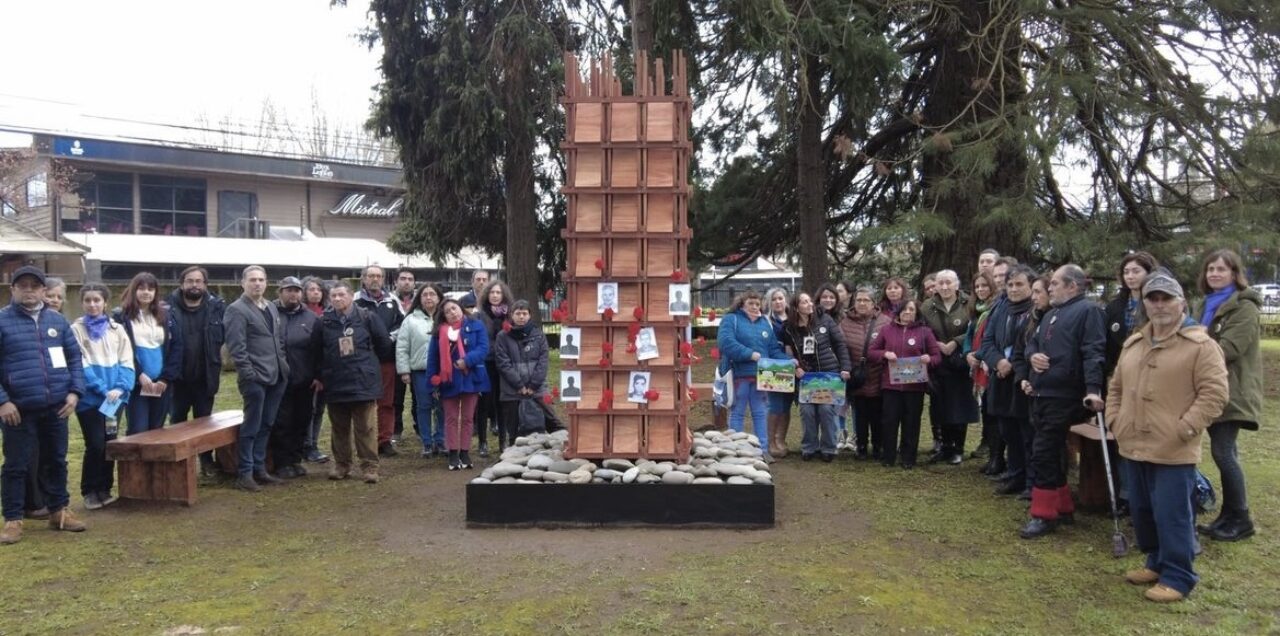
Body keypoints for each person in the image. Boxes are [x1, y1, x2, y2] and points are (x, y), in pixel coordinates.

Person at [1107, 271, 1228, 603]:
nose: (1159, 305)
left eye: (1166, 298)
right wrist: (1115, 419)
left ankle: (1179, 575)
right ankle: (1156, 561)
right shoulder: (1134, 343)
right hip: (1132, 443)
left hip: (1173, 447)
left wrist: (1184, 429)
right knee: (1143, 510)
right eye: (1153, 299)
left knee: (1172, 513)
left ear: (1181, 303)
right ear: (1145, 304)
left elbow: (1214, 395)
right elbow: (1115, 387)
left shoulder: (1201, 346)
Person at [1016, 264, 1106, 539]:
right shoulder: (1051, 313)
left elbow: (1094, 351)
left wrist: (1093, 389)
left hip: (1065, 393)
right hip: (1043, 392)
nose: (1049, 287)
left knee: (1042, 452)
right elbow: (1032, 344)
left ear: (1072, 286)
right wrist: (1033, 358)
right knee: (1051, 451)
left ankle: (1043, 514)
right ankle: (1063, 506)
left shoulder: (1088, 311)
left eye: (1055, 283)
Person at [0, 265, 87, 545]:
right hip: (18, 410)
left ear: (42, 290)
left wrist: (74, 392)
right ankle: (12, 519)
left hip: (56, 407)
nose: (29, 290)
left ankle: (59, 512)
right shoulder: (2, 321)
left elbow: (74, 359)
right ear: (12, 289)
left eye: (34, 286)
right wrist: (3, 402)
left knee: (56, 461)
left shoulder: (57, 321)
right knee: (16, 465)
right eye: (22, 285)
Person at [1195, 249, 1262, 542]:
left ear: (1235, 274)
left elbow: (1230, 349)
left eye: (1222, 269)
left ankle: (1241, 516)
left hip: (1231, 389)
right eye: (1211, 269)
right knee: (1223, 453)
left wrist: (1195, 343)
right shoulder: (1206, 304)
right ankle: (1229, 514)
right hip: (1209, 386)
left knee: (1224, 452)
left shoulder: (1244, 308)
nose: (1215, 274)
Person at [312, 281, 392, 484]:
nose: (337, 299)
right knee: (339, 428)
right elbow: (315, 351)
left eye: (341, 295)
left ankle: (370, 467)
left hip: (363, 380)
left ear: (350, 296)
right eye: (334, 296)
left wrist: (368, 366)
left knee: (365, 427)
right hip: (335, 381)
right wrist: (320, 376)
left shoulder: (367, 317)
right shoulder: (323, 322)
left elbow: (383, 345)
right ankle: (342, 464)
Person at [224, 266, 290, 493]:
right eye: (252, 280)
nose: (257, 284)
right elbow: (236, 347)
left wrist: (283, 366)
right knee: (252, 425)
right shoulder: (236, 310)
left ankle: (260, 469)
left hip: (277, 374)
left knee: (267, 423)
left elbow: (277, 339)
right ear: (242, 283)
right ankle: (245, 473)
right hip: (255, 378)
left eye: (261, 280)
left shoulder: (270, 306)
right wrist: (248, 373)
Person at [70, 283, 134, 510]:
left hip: (115, 400)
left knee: (109, 443)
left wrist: (120, 387)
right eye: (88, 300)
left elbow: (127, 360)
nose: (92, 304)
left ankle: (105, 488)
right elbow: (80, 363)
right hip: (91, 399)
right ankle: (89, 490)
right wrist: (101, 388)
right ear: (82, 303)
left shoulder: (117, 329)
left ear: (105, 303)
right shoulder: (76, 329)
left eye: (97, 300)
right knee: (95, 444)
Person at [978, 266, 1036, 496]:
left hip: (1024, 380)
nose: (1013, 289)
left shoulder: (1036, 310)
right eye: (1010, 284)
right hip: (1001, 379)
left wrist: (1013, 364)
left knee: (1027, 433)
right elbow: (987, 341)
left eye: (1019, 284)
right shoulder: (1000, 309)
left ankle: (1032, 482)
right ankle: (1015, 475)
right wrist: (998, 361)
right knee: (1008, 431)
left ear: (1031, 286)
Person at [717, 290, 789, 462]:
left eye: (758, 304)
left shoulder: (765, 323)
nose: (755, 307)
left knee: (760, 412)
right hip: (738, 375)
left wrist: (787, 361)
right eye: (751, 303)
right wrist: (749, 354)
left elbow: (772, 349)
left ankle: (762, 450)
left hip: (761, 377)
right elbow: (726, 342)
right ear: (742, 304)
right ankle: (736, 449)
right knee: (738, 412)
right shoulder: (731, 319)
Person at [867, 299, 940, 469]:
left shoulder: (925, 332)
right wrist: (885, 354)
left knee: (912, 422)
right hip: (891, 386)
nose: (908, 312)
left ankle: (908, 458)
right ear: (899, 311)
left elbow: (937, 356)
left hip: (915, 387)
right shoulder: (887, 330)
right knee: (889, 421)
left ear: (917, 313)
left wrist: (929, 359)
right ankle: (888, 456)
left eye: (912, 309)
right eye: (905, 309)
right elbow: (871, 352)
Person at [167, 265, 226, 475]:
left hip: (205, 376)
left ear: (205, 285)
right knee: (177, 422)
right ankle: (180, 463)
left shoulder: (217, 307)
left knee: (205, 421)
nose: (194, 285)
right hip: (177, 378)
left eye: (198, 281)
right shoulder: (166, 308)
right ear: (182, 284)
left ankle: (206, 461)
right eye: (190, 281)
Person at [781, 291, 851, 462]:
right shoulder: (788, 328)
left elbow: (840, 344)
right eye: (804, 302)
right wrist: (795, 366)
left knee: (827, 410)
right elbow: (788, 353)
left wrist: (845, 367)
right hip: (807, 377)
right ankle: (809, 447)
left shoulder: (825, 320)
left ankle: (828, 448)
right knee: (807, 411)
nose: (810, 304)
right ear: (796, 308)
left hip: (829, 374)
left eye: (810, 301)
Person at [426, 298, 491, 470]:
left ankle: (465, 451)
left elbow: (483, 348)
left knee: (469, 417)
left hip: (471, 376)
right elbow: (433, 358)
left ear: (461, 309)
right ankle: (453, 452)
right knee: (451, 418)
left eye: (454, 308)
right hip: (449, 379)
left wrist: (467, 360)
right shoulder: (439, 333)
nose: (452, 313)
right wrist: (433, 380)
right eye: (447, 311)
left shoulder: (476, 325)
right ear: (443, 316)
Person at [115, 272, 181, 435]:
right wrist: (139, 375)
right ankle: (135, 462)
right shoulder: (121, 317)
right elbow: (120, 350)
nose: (146, 292)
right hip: (137, 384)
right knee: (138, 429)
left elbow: (177, 347)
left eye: (151, 289)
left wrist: (165, 378)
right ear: (133, 290)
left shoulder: (166, 316)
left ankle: (155, 462)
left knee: (157, 430)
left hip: (161, 384)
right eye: (141, 288)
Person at [922, 269, 977, 464]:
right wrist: (935, 344)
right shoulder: (927, 306)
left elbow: (976, 326)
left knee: (960, 404)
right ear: (935, 286)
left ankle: (958, 448)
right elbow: (923, 329)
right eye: (941, 283)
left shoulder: (969, 302)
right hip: (938, 360)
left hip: (960, 360)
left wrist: (955, 341)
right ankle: (944, 447)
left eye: (949, 283)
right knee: (940, 404)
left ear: (956, 284)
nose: (944, 287)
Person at [270, 277, 319, 479]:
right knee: (282, 422)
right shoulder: (271, 314)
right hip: (279, 379)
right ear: (280, 292)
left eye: (297, 291)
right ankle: (281, 462)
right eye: (289, 290)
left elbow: (318, 349)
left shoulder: (311, 317)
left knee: (302, 421)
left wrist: (318, 375)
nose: (293, 294)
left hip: (305, 379)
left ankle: (296, 459)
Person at [354, 265, 402, 457]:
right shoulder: (355, 300)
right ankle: (365, 441)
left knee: (386, 401)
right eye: (371, 276)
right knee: (363, 403)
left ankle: (384, 440)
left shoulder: (393, 300)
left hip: (386, 359)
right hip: (362, 360)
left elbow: (402, 323)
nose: (375, 279)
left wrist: (387, 338)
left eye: (379, 276)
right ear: (363, 278)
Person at [840, 286, 890, 460]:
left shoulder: (884, 321)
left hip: (878, 374)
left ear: (873, 303)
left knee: (878, 414)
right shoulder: (845, 322)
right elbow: (841, 347)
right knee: (860, 414)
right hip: (856, 376)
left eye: (866, 300)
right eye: (859, 300)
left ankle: (878, 446)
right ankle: (861, 446)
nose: (862, 303)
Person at [398, 283, 445, 457]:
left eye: (432, 294)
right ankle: (426, 442)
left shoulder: (446, 317)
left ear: (439, 297)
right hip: (420, 371)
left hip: (443, 371)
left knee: (442, 406)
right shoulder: (411, 320)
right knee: (424, 406)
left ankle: (441, 440)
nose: (428, 298)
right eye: (424, 294)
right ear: (420, 298)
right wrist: (404, 370)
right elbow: (402, 346)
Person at [493, 300, 549, 445]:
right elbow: (503, 363)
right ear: (512, 315)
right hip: (511, 391)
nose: (521, 317)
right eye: (518, 313)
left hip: (536, 390)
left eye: (524, 313)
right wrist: (519, 385)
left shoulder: (539, 335)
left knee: (541, 426)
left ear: (530, 315)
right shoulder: (502, 337)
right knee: (513, 430)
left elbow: (543, 361)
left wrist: (533, 385)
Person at [965, 271, 1000, 471]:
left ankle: (997, 457)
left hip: (990, 364)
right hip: (977, 364)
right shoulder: (976, 310)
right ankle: (992, 455)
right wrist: (968, 353)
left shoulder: (995, 308)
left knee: (993, 412)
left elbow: (993, 337)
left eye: (984, 286)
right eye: (977, 287)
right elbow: (970, 335)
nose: (980, 290)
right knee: (986, 410)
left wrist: (982, 356)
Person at [1104, 251, 1159, 376]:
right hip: (1120, 371)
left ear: (1149, 273)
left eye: (1136, 271)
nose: (1130, 276)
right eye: (1126, 272)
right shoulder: (1114, 307)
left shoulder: (1160, 304)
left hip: (1152, 370)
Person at [476, 280, 514, 456]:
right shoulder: (479, 315)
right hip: (486, 363)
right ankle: (482, 443)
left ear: (503, 295)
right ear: (487, 295)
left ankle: (503, 442)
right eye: (492, 292)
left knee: (502, 403)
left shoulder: (510, 315)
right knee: (484, 403)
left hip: (504, 364)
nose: (495, 295)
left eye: (498, 292)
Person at [301, 277, 330, 464]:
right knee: (308, 410)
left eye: (318, 289)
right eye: (311, 289)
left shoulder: (328, 312)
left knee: (319, 409)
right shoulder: (301, 313)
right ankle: (306, 445)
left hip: (326, 369)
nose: (315, 292)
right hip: (307, 370)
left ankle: (314, 443)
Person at [764, 287, 792, 457]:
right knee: (775, 405)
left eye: (780, 298)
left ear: (785, 300)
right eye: (774, 299)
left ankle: (781, 439)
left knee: (786, 406)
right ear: (769, 302)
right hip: (773, 367)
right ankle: (771, 440)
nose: (778, 302)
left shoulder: (793, 319)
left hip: (791, 366)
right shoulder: (765, 321)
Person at [391, 269, 417, 443]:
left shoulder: (421, 300)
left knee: (419, 396)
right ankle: (396, 429)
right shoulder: (390, 301)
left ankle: (420, 428)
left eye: (410, 279)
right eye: (403, 279)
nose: (406, 282)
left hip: (417, 355)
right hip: (394, 354)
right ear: (396, 282)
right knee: (396, 396)